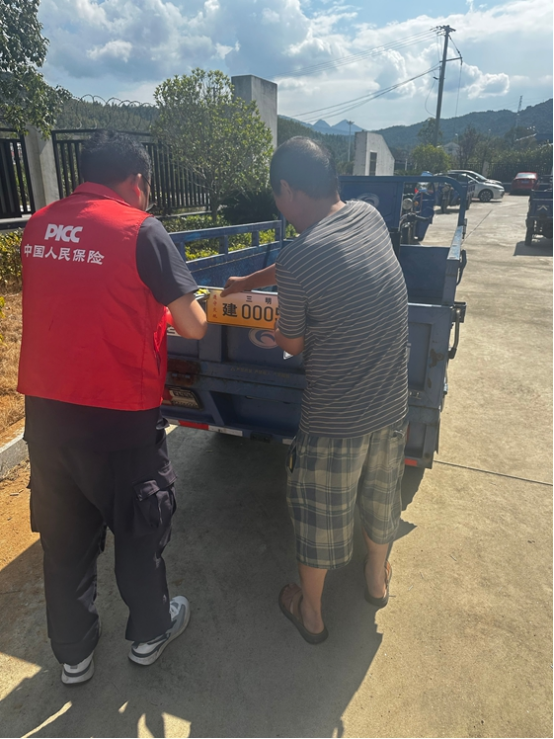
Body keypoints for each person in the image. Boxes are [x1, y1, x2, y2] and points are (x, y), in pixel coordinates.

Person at [18, 131, 207, 683]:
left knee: (65, 538)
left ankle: (73, 654)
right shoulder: (140, 229)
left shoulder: (38, 225)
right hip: (119, 414)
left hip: (48, 414)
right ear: (138, 180)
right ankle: (150, 632)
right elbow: (193, 324)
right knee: (139, 527)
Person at [224, 137, 409, 644]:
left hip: (335, 419)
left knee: (319, 518)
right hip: (390, 405)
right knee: (380, 498)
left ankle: (310, 614)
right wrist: (249, 281)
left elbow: (292, 341)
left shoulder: (301, 258)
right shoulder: (369, 217)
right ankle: (376, 581)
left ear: (287, 189)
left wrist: (269, 317)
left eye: (276, 197)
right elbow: (304, 263)